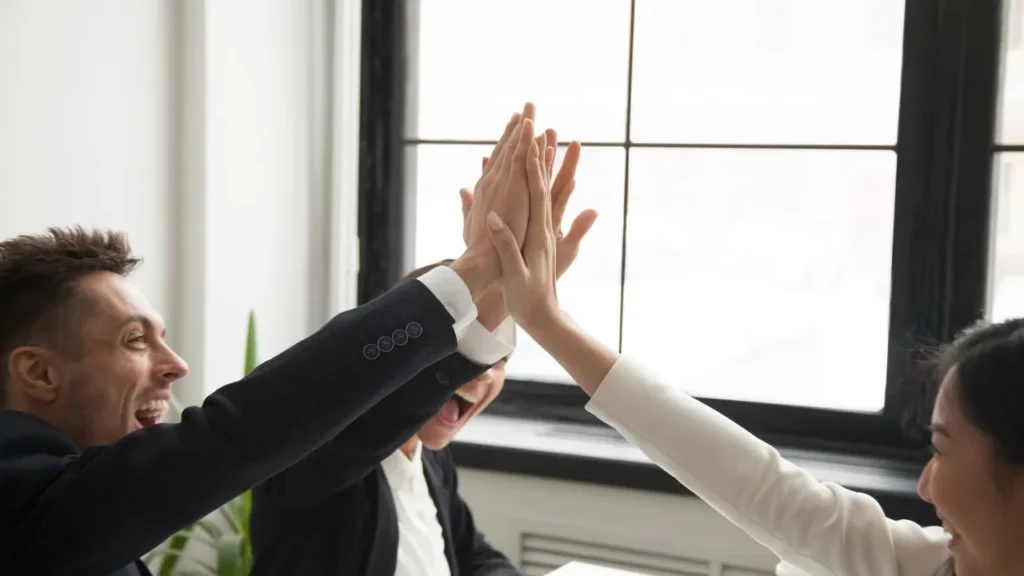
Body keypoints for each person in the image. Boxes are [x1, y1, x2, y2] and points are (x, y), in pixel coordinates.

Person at [0, 104, 544, 576]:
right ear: (39, 372)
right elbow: (239, 431)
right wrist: (474, 271)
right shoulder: (20, 498)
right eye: (136, 340)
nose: (176, 366)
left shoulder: (70, 496)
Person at [483, 136, 1024, 576]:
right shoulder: (925, 562)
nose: (925, 485)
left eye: (942, 447)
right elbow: (759, 484)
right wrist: (545, 322)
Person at [249, 135, 598, 576]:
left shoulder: (432, 461)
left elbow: (475, 557)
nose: (482, 375)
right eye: (464, 351)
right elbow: (375, 422)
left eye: (500, 360)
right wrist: (493, 274)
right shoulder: (319, 457)